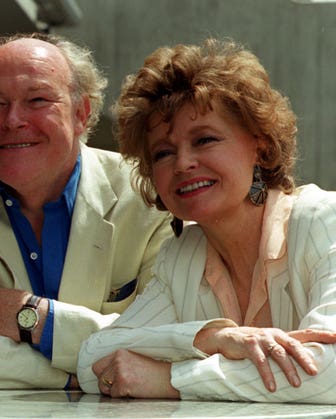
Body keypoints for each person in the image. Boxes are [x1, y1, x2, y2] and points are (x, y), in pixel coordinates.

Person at [0, 32, 171, 389]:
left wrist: (35, 319)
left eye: (37, 99)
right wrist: (74, 377)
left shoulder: (149, 193)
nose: (13, 120)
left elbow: (171, 342)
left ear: (81, 113)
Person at [77, 38, 336, 403]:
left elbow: (329, 373)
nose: (182, 164)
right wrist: (209, 338)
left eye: (205, 140)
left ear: (259, 146)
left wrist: (171, 379)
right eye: (164, 153)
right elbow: (92, 360)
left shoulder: (325, 221)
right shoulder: (181, 256)